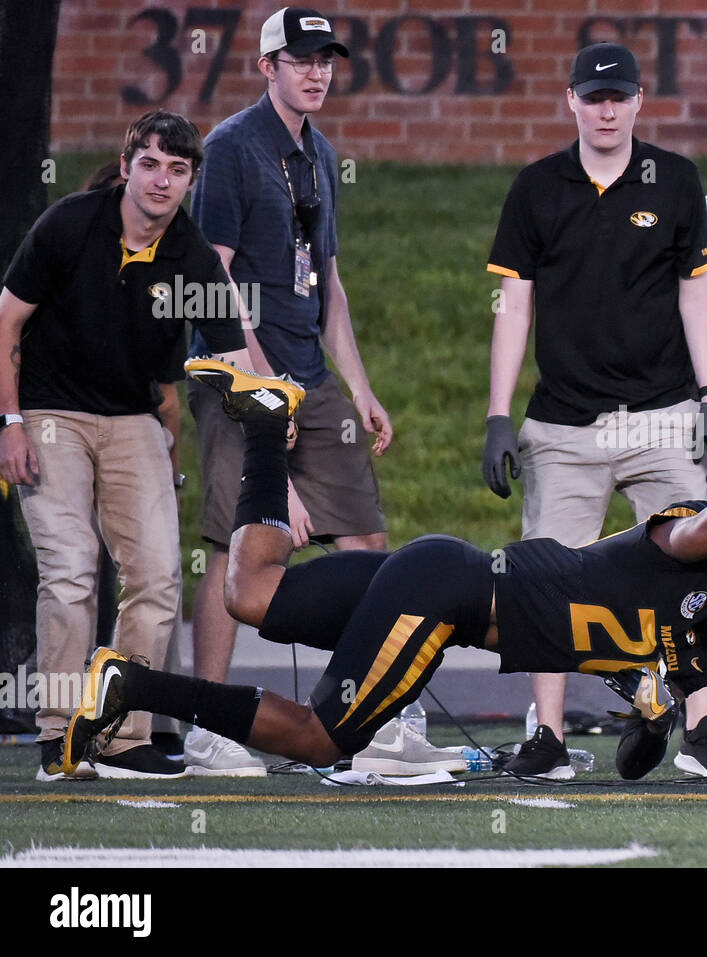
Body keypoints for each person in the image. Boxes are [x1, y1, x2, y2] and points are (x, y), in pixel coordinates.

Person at [59, 359, 707, 784]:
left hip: (444, 590)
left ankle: (266, 429)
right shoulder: (688, 545)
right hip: (453, 591)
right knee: (325, 738)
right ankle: (132, 687)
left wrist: (650, 705)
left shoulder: (701, 653)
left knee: (251, 593)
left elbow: (636, 763)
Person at [481, 42, 707, 778]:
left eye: (618, 96)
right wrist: (500, 414)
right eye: (594, 97)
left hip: (662, 412)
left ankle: (703, 727)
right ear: (571, 102)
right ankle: (549, 733)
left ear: (639, 100)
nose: (607, 108)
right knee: (544, 576)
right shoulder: (536, 187)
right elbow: (514, 303)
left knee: (700, 565)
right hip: (563, 419)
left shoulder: (677, 180)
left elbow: (695, 294)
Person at [0, 111, 251, 780]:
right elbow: (6, 317)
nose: (162, 180)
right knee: (73, 568)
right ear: (126, 162)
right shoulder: (70, 223)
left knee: (159, 576)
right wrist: (9, 422)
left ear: (192, 179)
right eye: (150, 163)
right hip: (50, 411)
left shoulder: (193, 255)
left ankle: (117, 733)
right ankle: (57, 734)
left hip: (133, 418)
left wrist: (273, 409)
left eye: (177, 169)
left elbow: (233, 360)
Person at [186, 7, 392, 776]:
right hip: (240, 373)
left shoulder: (321, 152)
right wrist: (263, 387)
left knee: (368, 541)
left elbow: (328, 285)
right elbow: (217, 279)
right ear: (266, 65)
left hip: (308, 373)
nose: (317, 72)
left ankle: (351, 722)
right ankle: (208, 721)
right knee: (234, 548)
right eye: (301, 59)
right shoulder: (233, 147)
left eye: (326, 61)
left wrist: (358, 387)